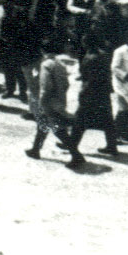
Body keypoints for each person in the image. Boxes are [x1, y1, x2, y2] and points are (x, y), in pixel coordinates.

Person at [27, 38, 81, 166]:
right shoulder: (60, 64)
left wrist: (42, 101)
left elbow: (46, 87)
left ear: (42, 50)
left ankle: (77, 155)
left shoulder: (46, 64)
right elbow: (67, 84)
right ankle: (35, 149)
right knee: (43, 125)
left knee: (58, 130)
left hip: (48, 102)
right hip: (58, 100)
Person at [70, 31, 121, 157]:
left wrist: (83, 92)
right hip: (103, 92)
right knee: (107, 120)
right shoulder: (103, 55)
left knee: (80, 119)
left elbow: (91, 78)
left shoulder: (91, 58)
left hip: (92, 92)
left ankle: (71, 144)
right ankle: (112, 146)